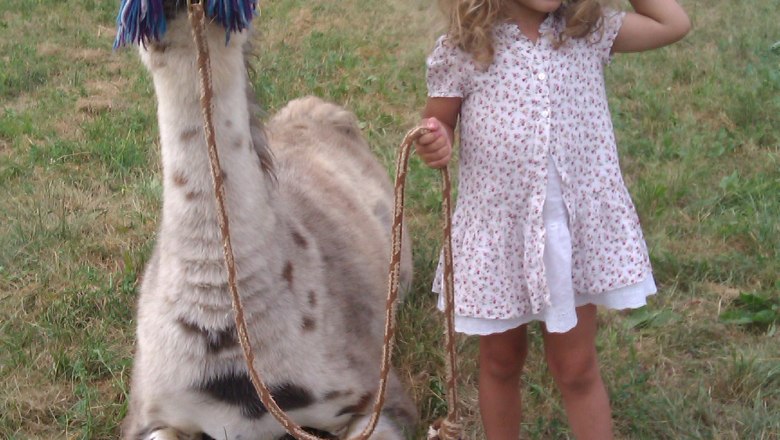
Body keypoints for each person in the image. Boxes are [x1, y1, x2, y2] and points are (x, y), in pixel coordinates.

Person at [414, 0, 690, 438]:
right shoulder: (464, 48)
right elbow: (439, 120)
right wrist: (436, 139)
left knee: (577, 366)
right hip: (501, 235)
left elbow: (673, 23)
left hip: (570, 235)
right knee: (501, 361)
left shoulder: (589, 33)